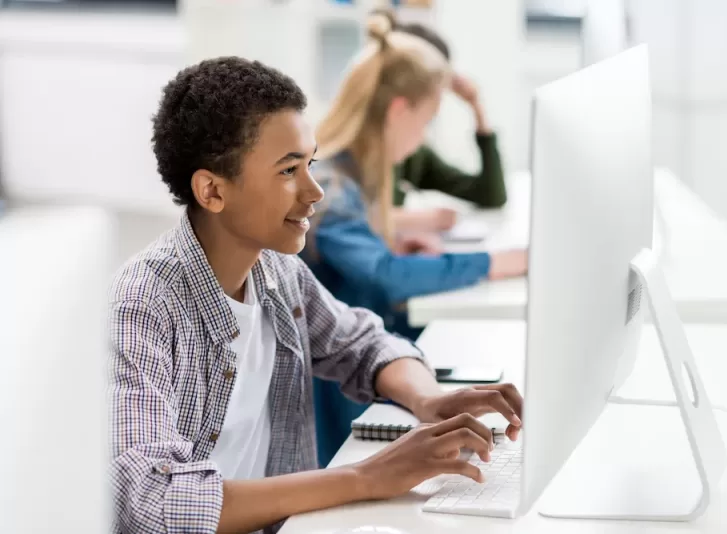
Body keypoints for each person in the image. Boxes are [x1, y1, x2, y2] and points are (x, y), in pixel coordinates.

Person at [108, 57, 524, 534]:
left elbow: (363, 344)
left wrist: (430, 398)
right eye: (288, 171)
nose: (314, 191)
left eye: (310, 164)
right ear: (212, 191)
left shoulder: (278, 272)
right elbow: (149, 499)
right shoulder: (142, 307)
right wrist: (366, 477)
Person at [301, 13, 528, 467]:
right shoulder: (329, 184)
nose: (425, 137)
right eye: (426, 122)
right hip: (341, 398)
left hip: (372, 367)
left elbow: (371, 264)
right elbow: (387, 279)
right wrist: (491, 263)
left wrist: (391, 245)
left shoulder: (356, 177)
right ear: (399, 110)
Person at [377, 10, 508, 239]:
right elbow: (345, 218)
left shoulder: (413, 150)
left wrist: (476, 106)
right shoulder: (363, 143)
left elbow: (491, 194)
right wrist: (425, 219)